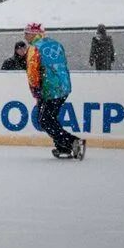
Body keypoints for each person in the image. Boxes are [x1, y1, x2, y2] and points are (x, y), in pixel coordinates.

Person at [24, 23, 85, 160]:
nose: (25, 36)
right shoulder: (55, 44)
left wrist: (36, 91)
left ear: (34, 34)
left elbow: (33, 73)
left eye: (27, 33)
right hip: (63, 87)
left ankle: (72, 141)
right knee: (51, 118)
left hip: (49, 89)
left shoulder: (34, 48)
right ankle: (63, 147)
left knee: (45, 121)